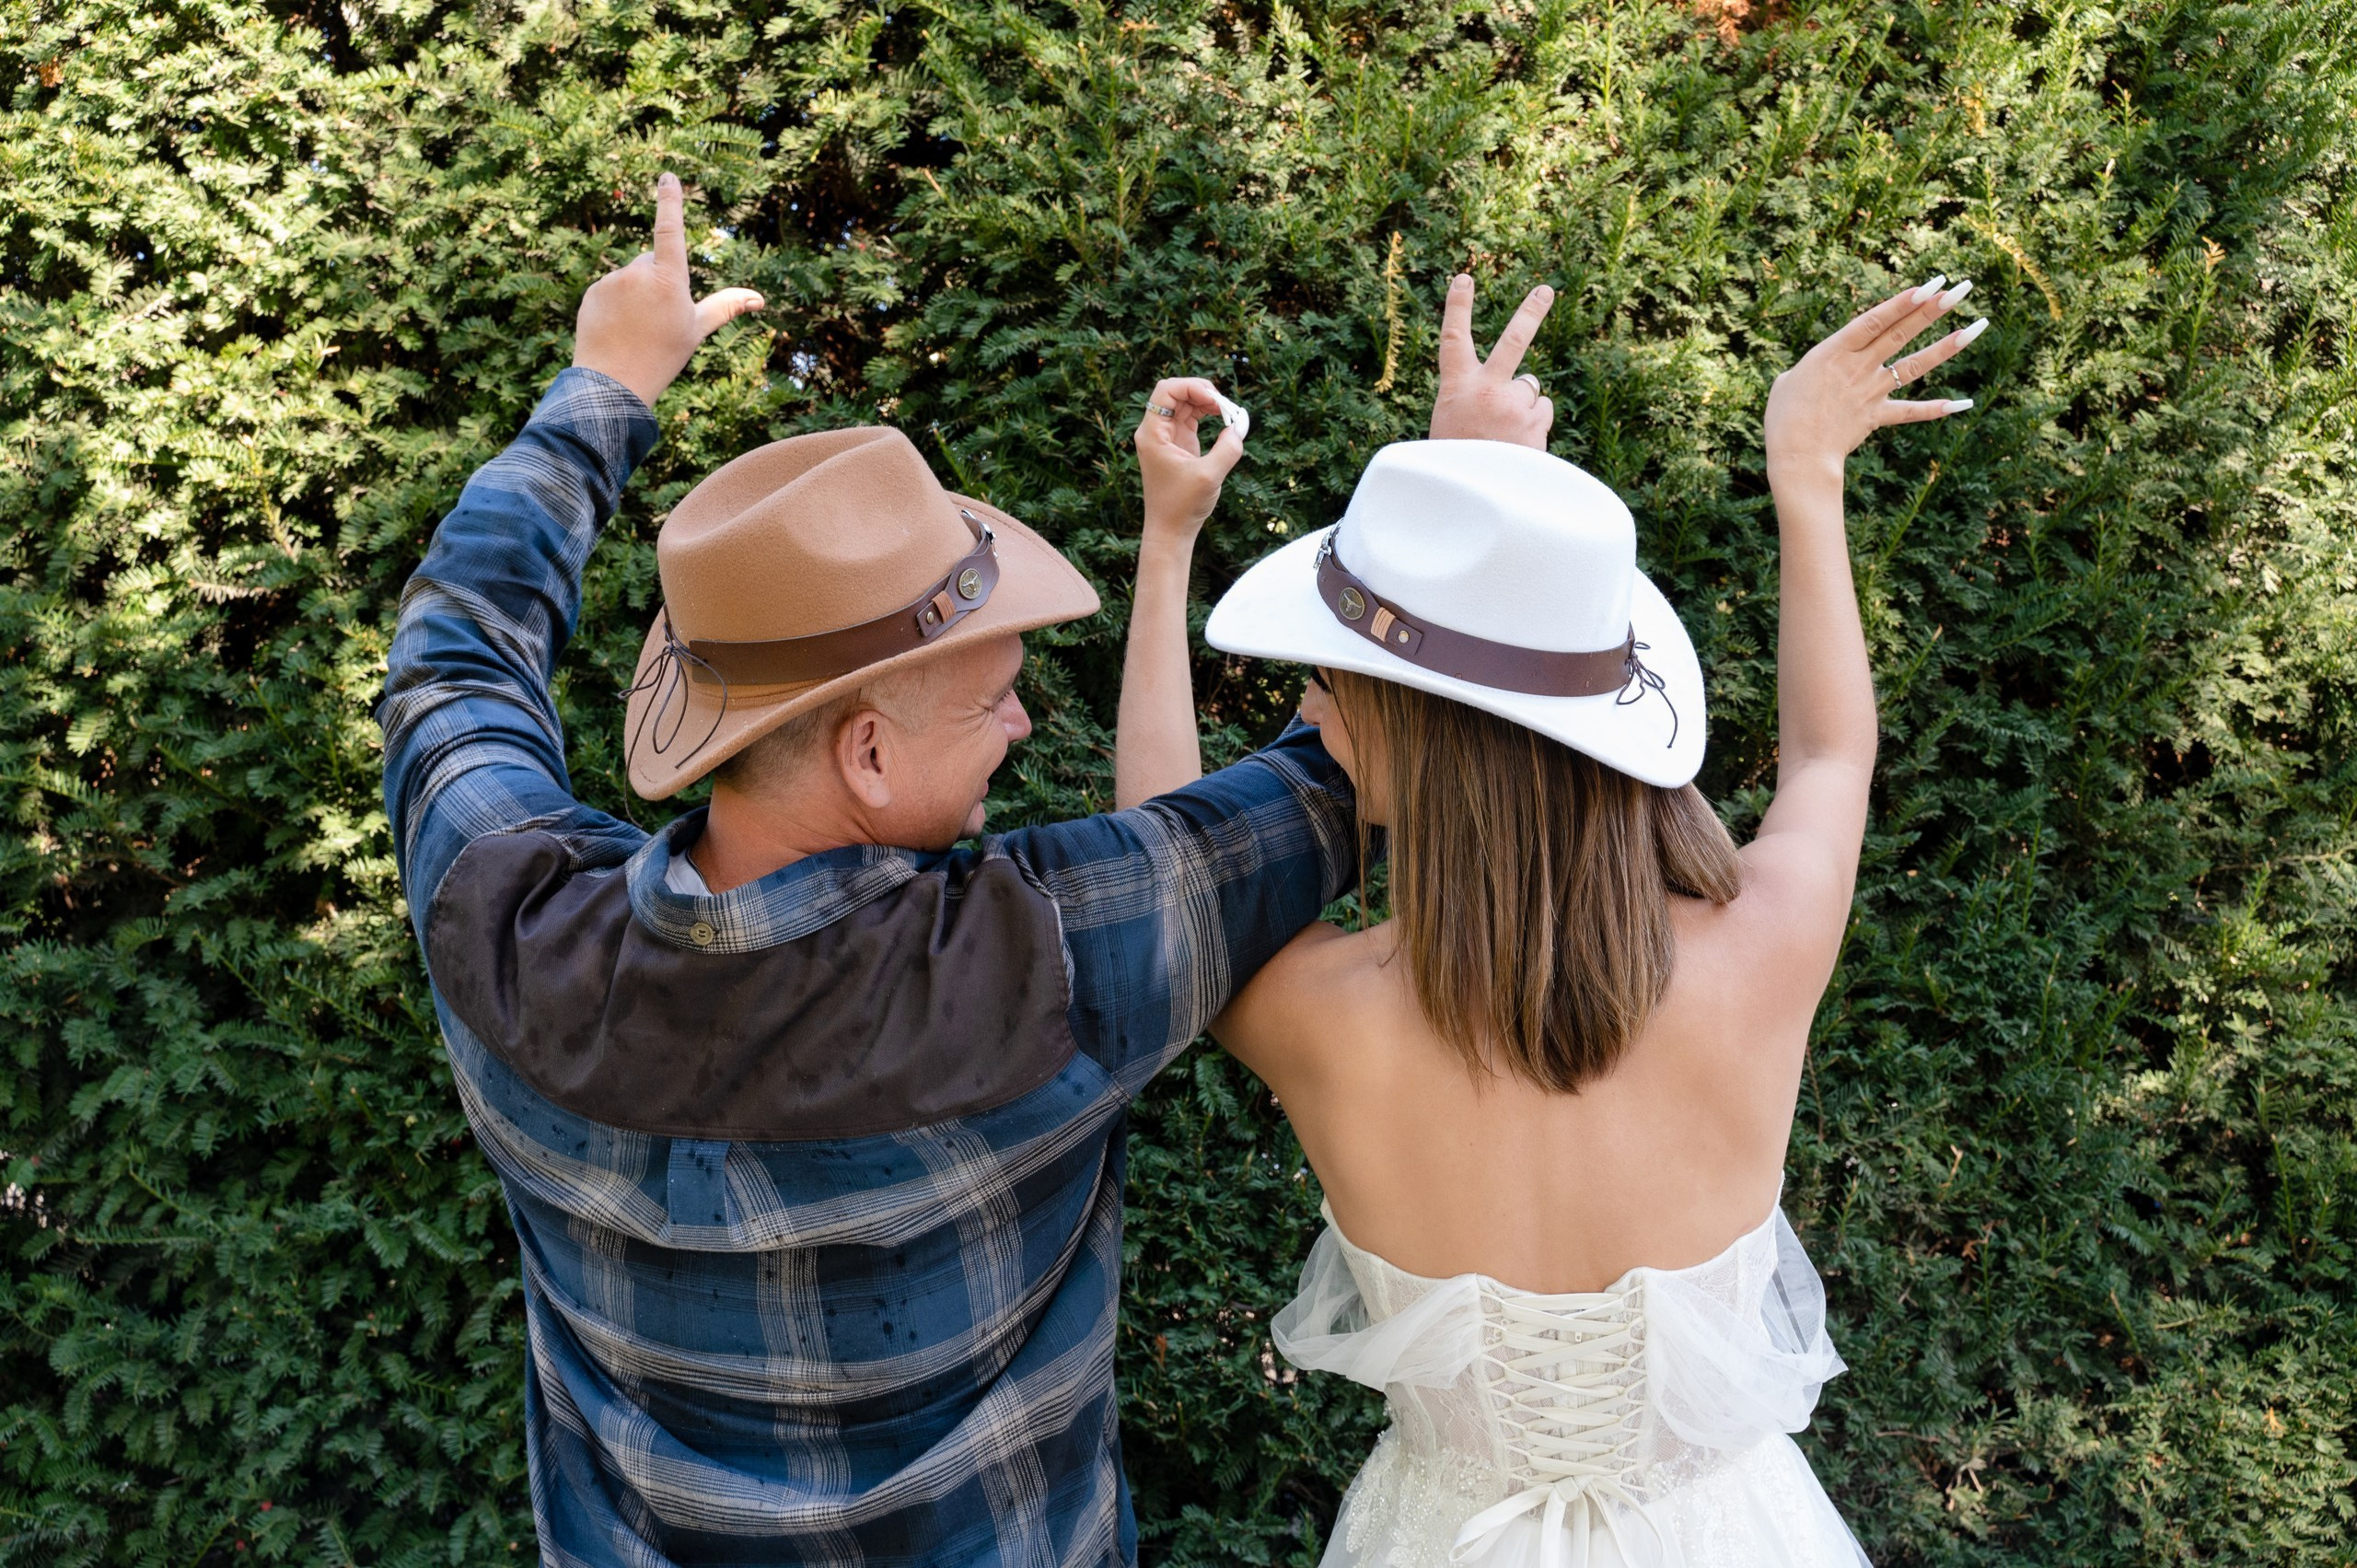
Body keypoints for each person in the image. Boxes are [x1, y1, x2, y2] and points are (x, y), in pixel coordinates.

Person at [376, 172, 1547, 1564]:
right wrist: (1469, 486)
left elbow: (452, 655)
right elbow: (1357, 763)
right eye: (995, 691)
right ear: (867, 754)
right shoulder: (1052, 957)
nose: (1023, 721)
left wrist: (604, 384)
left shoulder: (501, 920)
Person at [1114, 273, 1987, 1564]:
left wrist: (1168, 543)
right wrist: (1805, 470)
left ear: (1402, 734)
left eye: (1333, 687)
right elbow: (1829, 757)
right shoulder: (1763, 953)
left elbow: (1171, 850)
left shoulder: (1320, 1018)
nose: (1315, 710)